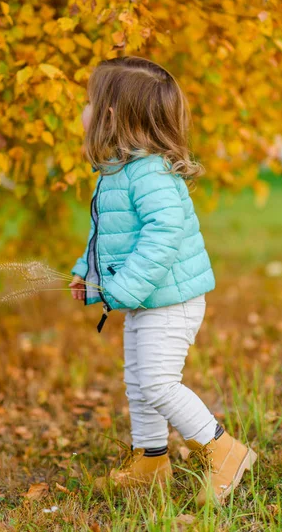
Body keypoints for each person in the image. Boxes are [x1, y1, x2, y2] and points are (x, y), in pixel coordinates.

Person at [69, 56, 257, 505]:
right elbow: (110, 235)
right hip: (149, 298)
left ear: (111, 116)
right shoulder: (119, 171)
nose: (83, 110)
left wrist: (126, 287)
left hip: (170, 300)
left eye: (90, 102)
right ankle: (150, 462)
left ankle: (224, 450)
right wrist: (87, 271)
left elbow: (163, 232)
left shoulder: (148, 172)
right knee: (137, 380)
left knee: (157, 382)